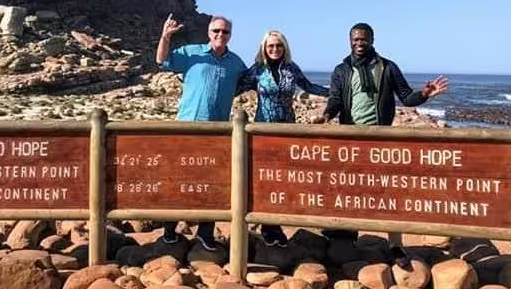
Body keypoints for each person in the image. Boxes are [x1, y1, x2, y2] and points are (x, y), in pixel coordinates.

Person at [321, 22, 448, 250]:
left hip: (380, 138)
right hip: (350, 138)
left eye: (364, 39)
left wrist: (425, 94)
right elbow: (336, 99)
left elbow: (407, 97)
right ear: (350, 40)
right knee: (347, 186)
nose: (360, 43)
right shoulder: (342, 70)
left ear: (372, 40)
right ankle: (345, 234)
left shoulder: (388, 68)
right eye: (356, 39)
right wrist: (327, 115)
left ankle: (395, 244)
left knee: (389, 190)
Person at [156, 13, 247, 251]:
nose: (220, 35)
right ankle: (169, 232)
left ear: (230, 35)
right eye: (216, 31)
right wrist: (165, 36)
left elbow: (252, 81)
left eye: (225, 32)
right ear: (209, 33)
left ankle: (205, 234)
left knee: (213, 184)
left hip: (218, 134)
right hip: (187, 129)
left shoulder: (236, 63)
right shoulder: (191, 53)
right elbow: (161, 60)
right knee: (178, 181)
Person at [238, 30, 329, 246]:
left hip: (287, 129)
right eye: (270, 46)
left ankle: (274, 222)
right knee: (264, 179)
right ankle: (270, 227)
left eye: (278, 45)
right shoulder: (257, 70)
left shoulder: (291, 68)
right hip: (263, 131)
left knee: (283, 179)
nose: (275, 49)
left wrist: (336, 92)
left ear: (284, 47)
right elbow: (234, 88)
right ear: (264, 48)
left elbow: (309, 87)